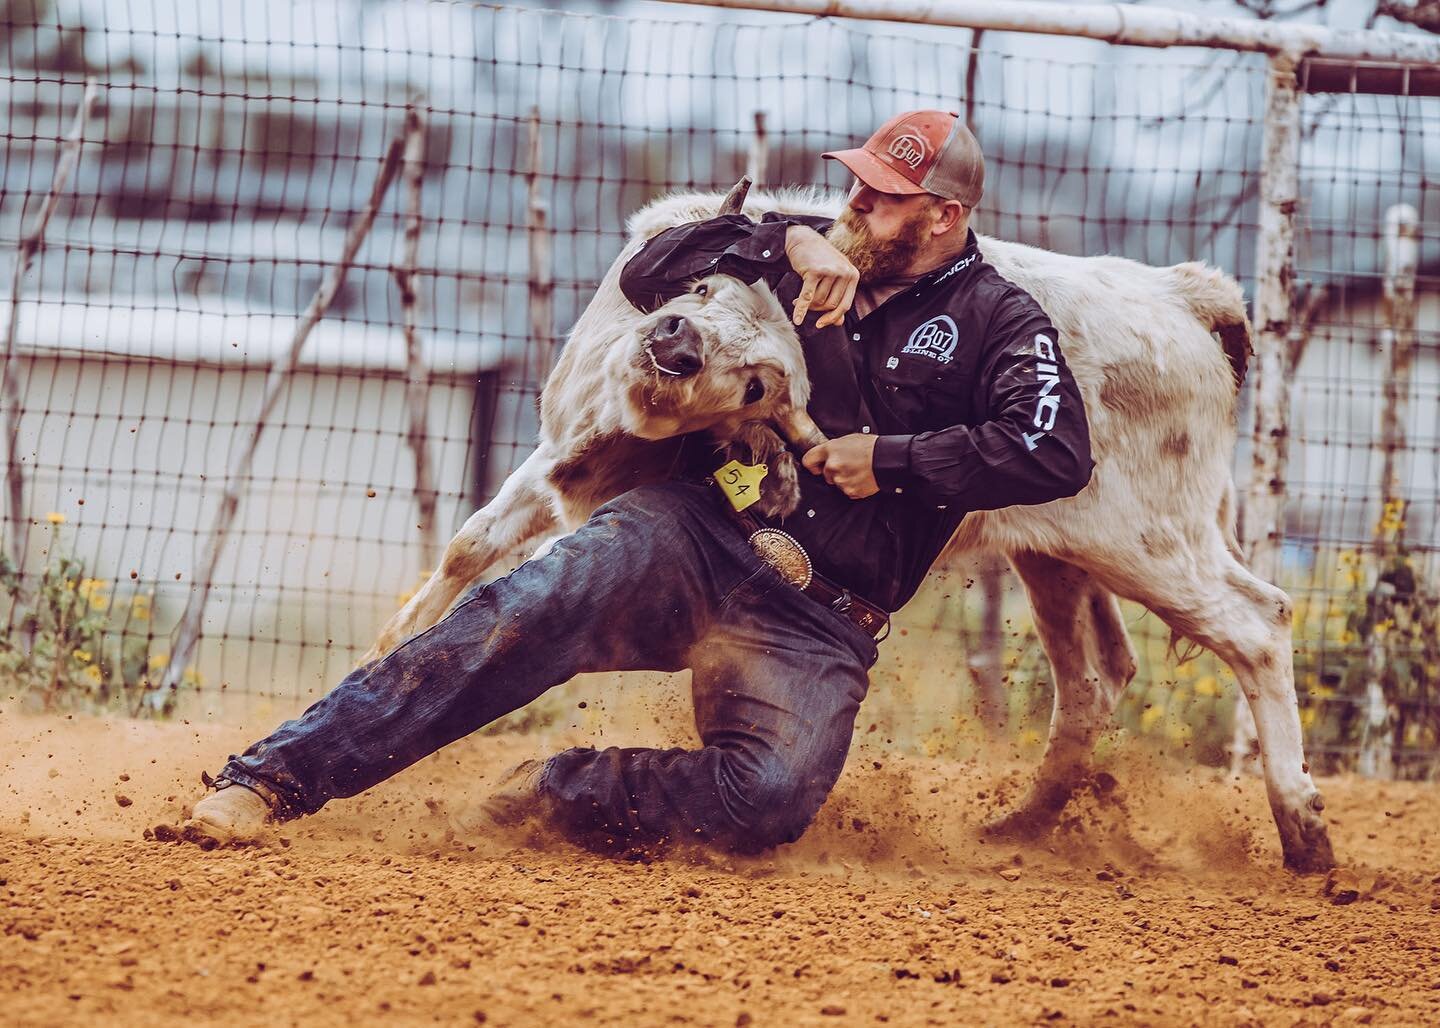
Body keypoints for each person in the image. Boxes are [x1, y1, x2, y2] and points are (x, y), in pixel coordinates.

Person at [158, 110, 1092, 855]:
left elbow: (1054, 451)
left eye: (884, 199)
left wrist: (887, 460)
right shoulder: (804, 251)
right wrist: (784, 245)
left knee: (766, 801)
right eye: (855, 183)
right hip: (693, 534)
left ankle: (551, 792)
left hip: (825, 617)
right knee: (529, 604)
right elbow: (651, 271)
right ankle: (273, 778)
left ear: (944, 215)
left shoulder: (1001, 318)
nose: (857, 205)